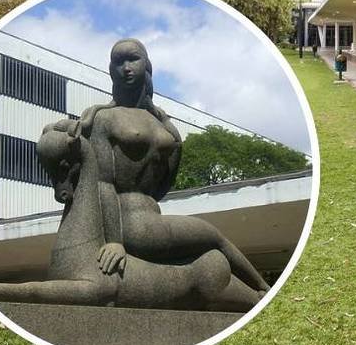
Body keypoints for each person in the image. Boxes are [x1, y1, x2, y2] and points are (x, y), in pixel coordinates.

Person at [72, 38, 271, 294]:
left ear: (147, 65)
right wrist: (115, 241)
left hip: (151, 212)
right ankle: (262, 287)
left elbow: (164, 182)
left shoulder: (159, 119)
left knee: (211, 249)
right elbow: (103, 183)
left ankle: (256, 291)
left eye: (133, 59)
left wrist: (165, 122)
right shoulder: (103, 118)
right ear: (111, 70)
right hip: (130, 221)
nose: (126, 68)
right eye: (118, 62)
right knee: (213, 236)